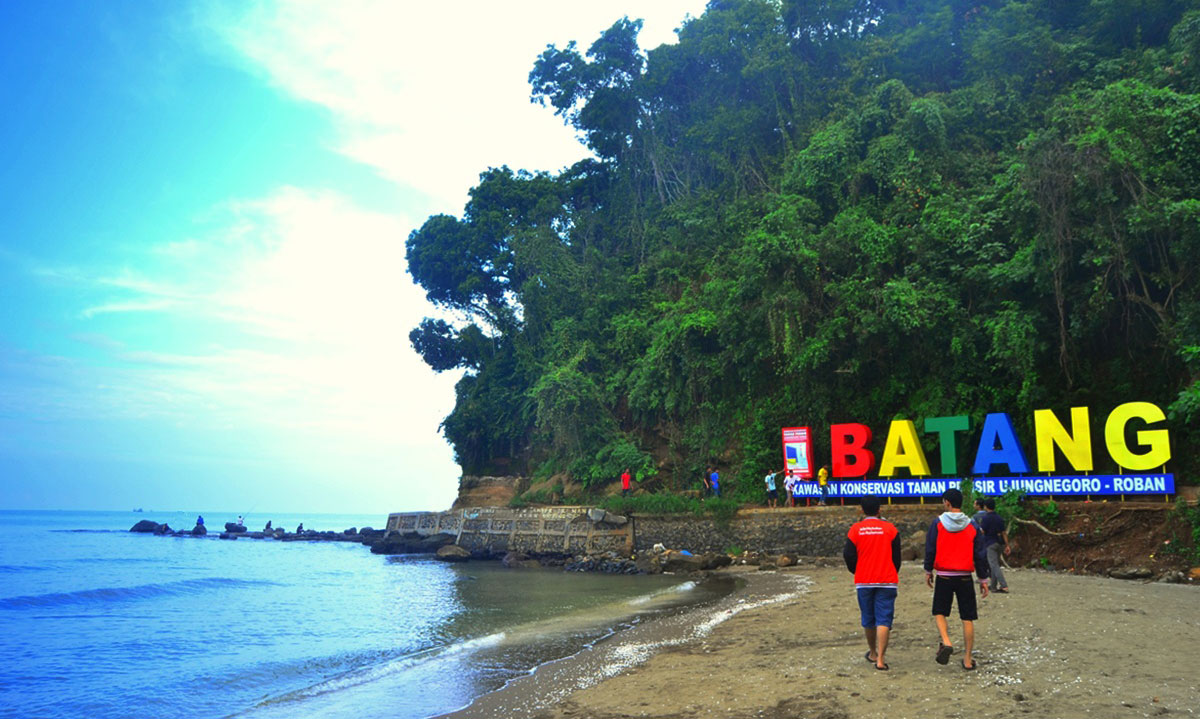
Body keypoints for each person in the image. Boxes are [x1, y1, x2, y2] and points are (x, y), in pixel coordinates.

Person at [924, 488, 990, 671]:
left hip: (944, 575)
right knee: (967, 618)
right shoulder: (972, 525)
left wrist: (928, 570)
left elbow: (930, 548)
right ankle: (968, 659)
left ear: (947, 502)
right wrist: (983, 579)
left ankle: (946, 640)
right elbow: (980, 554)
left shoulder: (937, 523)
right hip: (965, 577)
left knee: (940, 612)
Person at [844, 495, 901, 671]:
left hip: (864, 579)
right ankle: (881, 660)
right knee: (884, 618)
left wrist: (857, 569)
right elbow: (897, 557)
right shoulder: (890, 529)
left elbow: (848, 555)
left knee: (868, 618)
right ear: (879, 510)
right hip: (887, 579)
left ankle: (873, 652)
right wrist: (892, 570)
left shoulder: (856, 530)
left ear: (862, 510)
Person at [979, 498, 1012, 593]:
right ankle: (993, 586)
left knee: (993, 565)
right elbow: (1004, 533)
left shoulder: (985, 518)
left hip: (990, 543)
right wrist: (1007, 545)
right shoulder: (999, 518)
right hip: (1000, 543)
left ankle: (1004, 585)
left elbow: (982, 531)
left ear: (985, 507)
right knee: (995, 563)